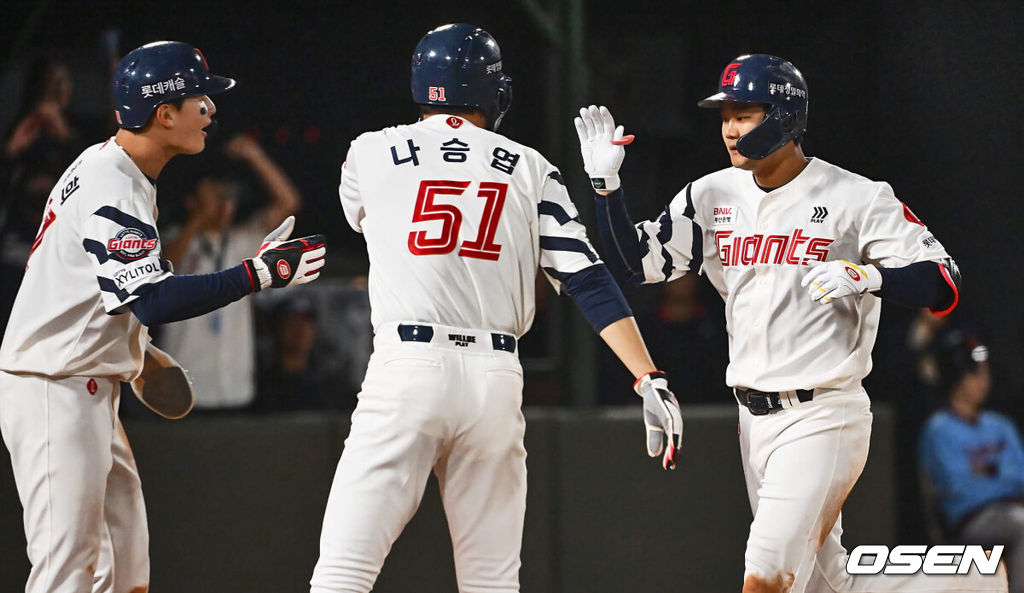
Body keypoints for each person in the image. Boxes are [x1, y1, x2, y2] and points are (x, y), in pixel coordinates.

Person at [574, 54, 1005, 592]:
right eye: (725, 115)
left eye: (744, 113)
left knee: (766, 577)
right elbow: (635, 264)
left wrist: (869, 275)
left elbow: (943, 281)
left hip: (824, 412)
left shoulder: (856, 195)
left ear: (782, 114)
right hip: (753, 418)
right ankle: (968, 585)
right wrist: (606, 188)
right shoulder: (711, 194)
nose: (730, 128)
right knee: (829, 584)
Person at [310, 23, 682, 593]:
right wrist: (647, 375)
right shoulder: (529, 165)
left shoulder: (369, 150)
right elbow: (586, 277)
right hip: (496, 378)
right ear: (491, 89)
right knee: (491, 582)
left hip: (409, 367)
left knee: (344, 572)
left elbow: (363, 218)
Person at [0, 41, 326, 593]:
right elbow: (149, 297)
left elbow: (85, 289)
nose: (211, 109)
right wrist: (258, 274)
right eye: (201, 97)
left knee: (125, 566)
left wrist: (138, 352)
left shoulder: (116, 170)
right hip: (53, 387)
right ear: (164, 113)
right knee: (66, 570)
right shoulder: (113, 181)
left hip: (85, 381)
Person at [157, 134, 301, 410]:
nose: (223, 203)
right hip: (185, 387)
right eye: (214, 195)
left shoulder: (242, 240)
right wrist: (198, 218)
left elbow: (288, 203)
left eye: (226, 197)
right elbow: (163, 269)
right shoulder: (175, 238)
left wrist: (255, 156)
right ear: (192, 201)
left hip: (234, 386)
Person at [920, 331, 1024, 592]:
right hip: (969, 522)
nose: (982, 379)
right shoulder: (939, 429)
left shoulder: (1000, 425)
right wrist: (1000, 474)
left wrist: (987, 472)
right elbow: (961, 491)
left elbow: (1020, 475)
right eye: (973, 372)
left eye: (984, 371)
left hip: (1013, 509)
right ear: (955, 378)